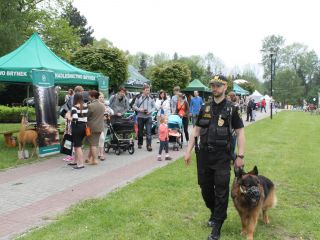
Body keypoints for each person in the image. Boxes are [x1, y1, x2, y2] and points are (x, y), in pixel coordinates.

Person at [184, 75, 245, 240]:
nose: (214, 88)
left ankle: (217, 226)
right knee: (205, 190)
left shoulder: (232, 109)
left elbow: (240, 132)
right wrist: (188, 151)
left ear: (225, 87)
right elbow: (196, 130)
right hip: (204, 155)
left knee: (221, 191)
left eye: (218, 85)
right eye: (212, 85)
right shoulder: (205, 108)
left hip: (222, 157)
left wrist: (240, 155)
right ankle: (215, 212)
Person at [65, 93, 88, 169]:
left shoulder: (74, 107)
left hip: (77, 127)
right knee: (76, 145)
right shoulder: (85, 106)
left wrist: (68, 116)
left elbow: (75, 119)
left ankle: (81, 164)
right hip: (84, 127)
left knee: (78, 146)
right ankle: (75, 161)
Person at [133, 84, 155, 151]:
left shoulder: (151, 97)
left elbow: (154, 107)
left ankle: (149, 145)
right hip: (140, 116)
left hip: (148, 117)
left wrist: (150, 111)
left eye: (149, 90)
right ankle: (140, 143)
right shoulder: (138, 97)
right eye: (146, 90)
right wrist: (140, 110)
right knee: (140, 132)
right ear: (143, 90)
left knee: (149, 132)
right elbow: (134, 106)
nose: (148, 91)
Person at [86, 90, 105, 165]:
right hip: (100, 127)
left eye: (89, 95)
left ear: (93, 96)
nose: (88, 96)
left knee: (93, 144)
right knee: (93, 143)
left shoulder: (90, 106)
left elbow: (86, 116)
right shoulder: (102, 105)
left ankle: (94, 160)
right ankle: (88, 158)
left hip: (92, 127)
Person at [97, 93, 114, 161]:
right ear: (97, 98)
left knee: (102, 139)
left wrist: (108, 113)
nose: (101, 99)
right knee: (102, 138)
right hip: (98, 124)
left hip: (105, 124)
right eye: (100, 97)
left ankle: (99, 153)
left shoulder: (106, 106)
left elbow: (112, 112)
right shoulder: (96, 106)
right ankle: (101, 154)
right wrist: (102, 116)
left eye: (102, 97)